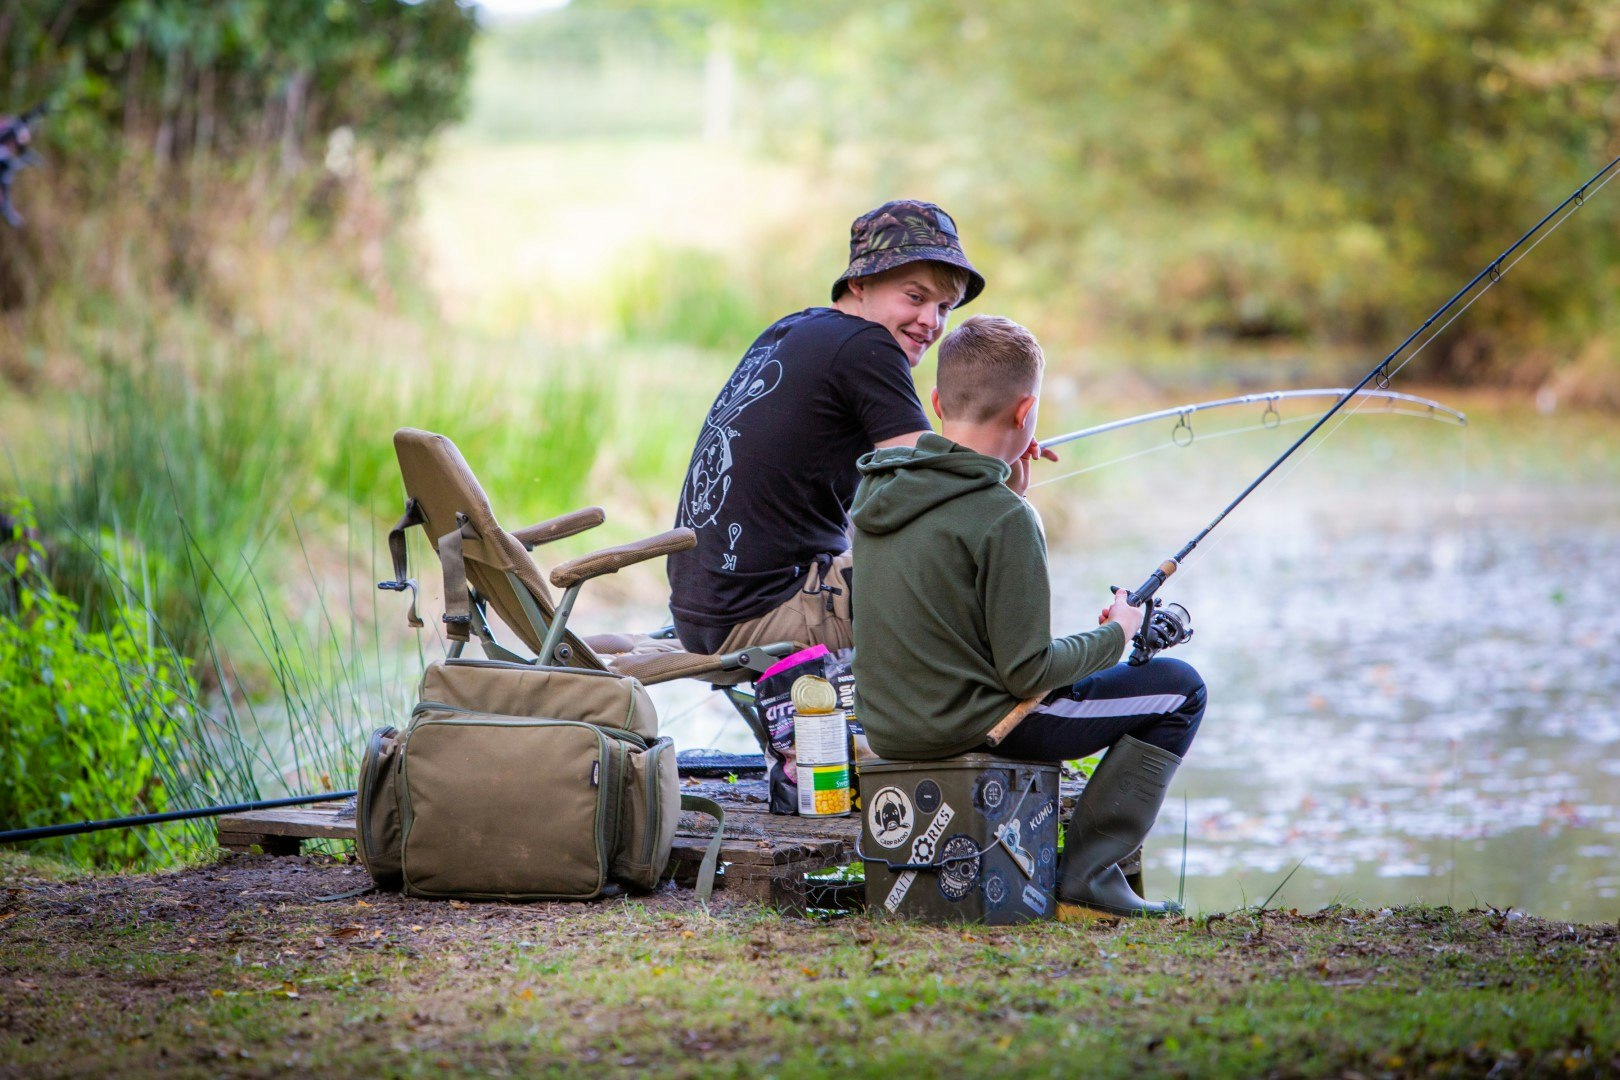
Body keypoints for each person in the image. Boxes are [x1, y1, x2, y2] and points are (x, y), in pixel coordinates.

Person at [849, 314, 1207, 916]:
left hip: (890, 726)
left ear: (937, 402)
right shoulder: (1005, 519)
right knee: (1179, 690)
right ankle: (1090, 877)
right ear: (1026, 412)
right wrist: (1116, 633)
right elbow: (1027, 673)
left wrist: (1007, 482)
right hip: (972, 724)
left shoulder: (879, 492)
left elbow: (953, 578)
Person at [667, 200, 986, 657]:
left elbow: (894, 486)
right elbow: (932, 485)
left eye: (944, 307)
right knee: (957, 565)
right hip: (766, 611)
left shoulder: (795, 329)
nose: (930, 322)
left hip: (702, 613)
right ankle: (1017, 689)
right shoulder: (867, 344)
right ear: (860, 282)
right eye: (915, 297)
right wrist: (1002, 451)